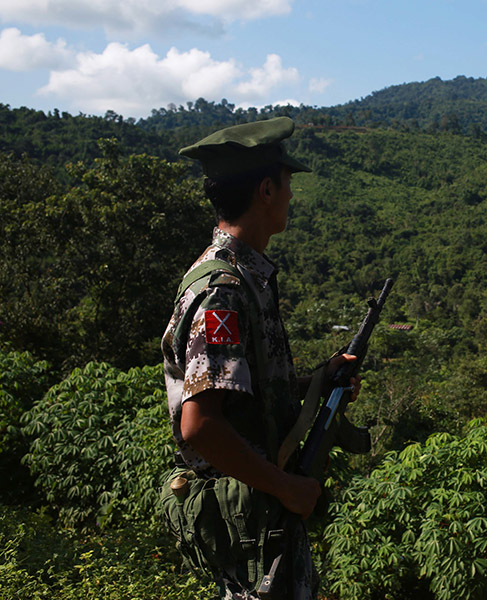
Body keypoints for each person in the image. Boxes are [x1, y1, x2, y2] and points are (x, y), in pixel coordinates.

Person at [159, 117, 357, 600]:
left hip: (264, 524)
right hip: (251, 533)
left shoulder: (247, 279)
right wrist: (285, 487)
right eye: (287, 184)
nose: (292, 195)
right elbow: (200, 425)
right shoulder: (223, 292)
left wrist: (318, 380)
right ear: (266, 190)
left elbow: (246, 393)